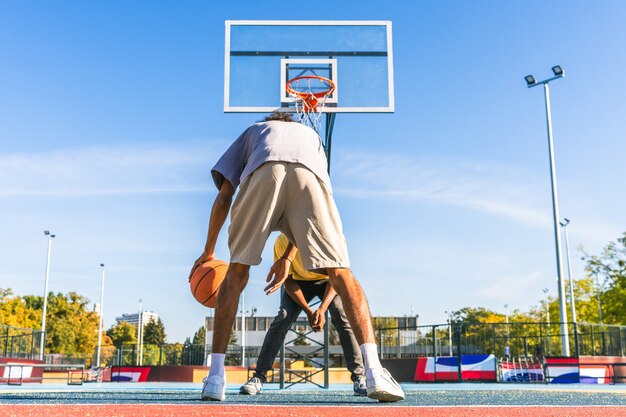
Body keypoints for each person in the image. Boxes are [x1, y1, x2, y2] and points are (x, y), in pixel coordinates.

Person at [190, 111, 404, 402]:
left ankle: (215, 378)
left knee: (237, 272)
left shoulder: (256, 130)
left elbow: (225, 194)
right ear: (292, 123)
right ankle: (374, 371)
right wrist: (288, 258)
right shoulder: (312, 137)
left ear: (271, 120)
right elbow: (300, 206)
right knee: (341, 273)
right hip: (311, 176)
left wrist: (208, 250)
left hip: (262, 172)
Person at [239, 233, 366, 396]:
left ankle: (359, 377)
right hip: (298, 283)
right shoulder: (282, 241)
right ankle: (258, 377)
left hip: (328, 281)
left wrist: (322, 309)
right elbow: (288, 280)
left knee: (341, 316)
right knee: (283, 317)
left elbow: (337, 276)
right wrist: (308, 310)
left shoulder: (332, 237)